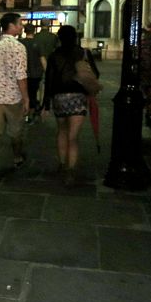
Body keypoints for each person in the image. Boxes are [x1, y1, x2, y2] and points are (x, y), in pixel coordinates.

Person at [0, 13, 29, 182]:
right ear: (12, 26)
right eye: (20, 23)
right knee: (16, 132)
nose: (22, 27)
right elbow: (21, 76)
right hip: (13, 98)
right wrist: (26, 98)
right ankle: (17, 157)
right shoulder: (19, 48)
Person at [42, 25, 89, 187]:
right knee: (73, 137)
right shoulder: (83, 53)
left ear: (59, 38)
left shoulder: (54, 56)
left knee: (62, 130)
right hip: (78, 97)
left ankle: (62, 164)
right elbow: (95, 74)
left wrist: (46, 104)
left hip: (60, 97)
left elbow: (49, 80)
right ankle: (71, 171)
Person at [18, 23, 44, 121]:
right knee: (32, 94)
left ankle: (23, 113)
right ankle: (30, 115)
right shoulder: (38, 43)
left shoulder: (20, 43)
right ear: (34, 31)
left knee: (23, 94)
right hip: (35, 74)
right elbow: (42, 59)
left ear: (25, 31)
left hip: (22, 73)